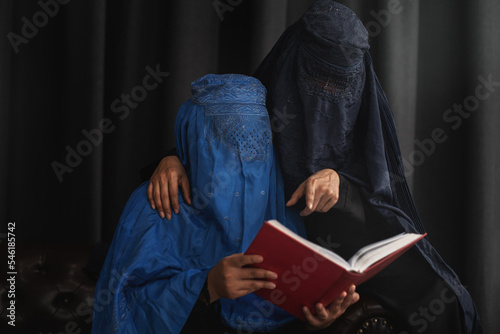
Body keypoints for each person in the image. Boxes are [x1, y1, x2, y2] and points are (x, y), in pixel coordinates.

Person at [147, 2, 483, 333]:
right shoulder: (258, 100)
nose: (326, 93)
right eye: (316, 77)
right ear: (293, 60)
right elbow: (218, 142)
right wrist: (171, 157)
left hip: (347, 240)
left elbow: (382, 198)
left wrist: (341, 183)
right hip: (260, 248)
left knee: (445, 296)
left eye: (339, 84)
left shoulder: (366, 115)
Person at [92, 74, 359, 334]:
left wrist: (315, 322)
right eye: (227, 148)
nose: (244, 166)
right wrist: (207, 288)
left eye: (257, 147)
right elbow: (122, 310)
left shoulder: (282, 209)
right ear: (195, 143)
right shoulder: (157, 203)